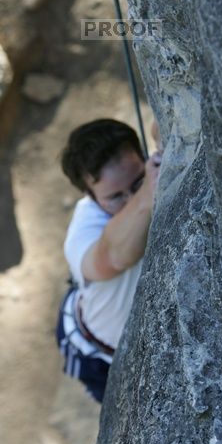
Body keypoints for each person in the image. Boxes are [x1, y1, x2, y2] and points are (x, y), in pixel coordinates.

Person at [57, 118, 162, 402]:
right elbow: (112, 258)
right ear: (90, 196)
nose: (129, 199)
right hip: (95, 353)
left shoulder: (153, 172)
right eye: (115, 196)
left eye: (137, 181)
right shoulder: (82, 233)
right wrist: (146, 192)